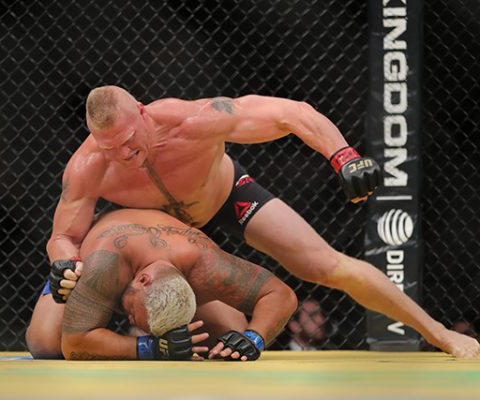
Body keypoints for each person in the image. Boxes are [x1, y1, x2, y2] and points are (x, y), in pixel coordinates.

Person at [32, 85, 479, 358]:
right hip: (153, 236)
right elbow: (64, 235)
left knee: (325, 265)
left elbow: (291, 113)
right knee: (48, 343)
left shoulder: (194, 120)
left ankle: (438, 334)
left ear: (144, 114)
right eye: (110, 148)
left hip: (226, 197)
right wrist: (64, 262)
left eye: (129, 141)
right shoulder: (88, 166)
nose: (124, 155)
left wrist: (343, 156)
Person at [29, 208, 297, 360]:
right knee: (46, 344)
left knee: (230, 338)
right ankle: (65, 283)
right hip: (89, 266)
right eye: (134, 314)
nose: (130, 320)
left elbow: (280, 294)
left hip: (170, 262)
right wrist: (150, 347)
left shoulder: (206, 266)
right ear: (143, 280)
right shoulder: (103, 265)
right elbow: (74, 343)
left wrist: (254, 338)